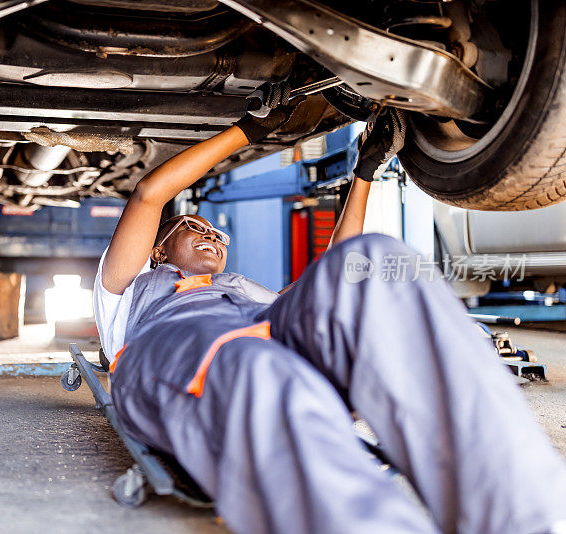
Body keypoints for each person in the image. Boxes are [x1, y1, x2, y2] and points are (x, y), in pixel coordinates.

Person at [92, 99, 566, 534]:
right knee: (263, 373)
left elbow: (339, 273)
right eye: (195, 227)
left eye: (218, 234)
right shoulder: (127, 286)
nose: (212, 236)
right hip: (173, 355)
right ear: (158, 248)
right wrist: (250, 128)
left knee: (376, 259)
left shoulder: (242, 287)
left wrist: (365, 169)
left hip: (266, 335)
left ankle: (520, 520)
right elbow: (149, 194)